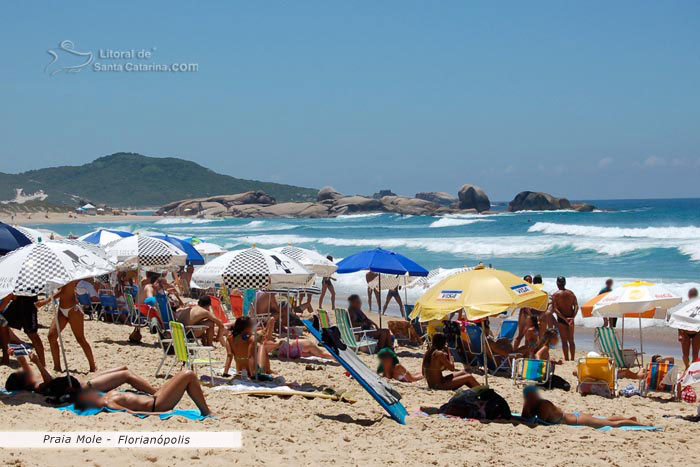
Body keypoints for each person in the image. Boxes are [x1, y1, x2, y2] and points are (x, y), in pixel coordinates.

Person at [6, 351, 156, 395]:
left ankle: (151, 389)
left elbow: (25, 366)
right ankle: (156, 393)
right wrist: (38, 363)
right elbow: (49, 381)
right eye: (22, 374)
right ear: (24, 382)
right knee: (126, 376)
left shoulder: (32, 380)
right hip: (88, 386)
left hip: (87, 378)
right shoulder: (37, 386)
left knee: (123, 368)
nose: (25, 372)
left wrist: (17, 354)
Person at [74, 369, 211, 416]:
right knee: (188, 375)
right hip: (157, 404)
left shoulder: (104, 396)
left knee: (183, 375)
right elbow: (132, 413)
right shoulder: (109, 403)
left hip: (155, 397)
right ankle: (207, 412)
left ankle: (204, 407)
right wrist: (161, 413)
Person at [521, 385, 649, 428]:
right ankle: (630, 419)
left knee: (612, 424)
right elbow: (525, 417)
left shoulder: (544, 405)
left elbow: (540, 423)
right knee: (607, 419)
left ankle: (643, 426)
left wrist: (527, 411)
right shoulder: (537, 404)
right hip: (575, 416)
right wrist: (526, 408)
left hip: (578, 420)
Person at [46, 280, 97, 372]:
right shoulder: (58, 274)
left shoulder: (68, 273)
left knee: (80, 339)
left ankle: (93, 366)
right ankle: (57, 367)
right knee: (51, 336)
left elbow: (64, 291)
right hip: (62, 309)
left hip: (73, 310)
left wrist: (46, 301)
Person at [0, 295, 46, 366]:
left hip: (28, 304)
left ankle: (43, 364)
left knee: (32, 335)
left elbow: (10, 296)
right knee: (3, 324)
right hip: (17, 302)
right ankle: (5, 358)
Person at [547, 276, 578, 361]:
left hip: (561, 320)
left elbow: (555, 309)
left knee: (564, 341)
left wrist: (564, 319)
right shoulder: (571, 293)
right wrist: (572, 317)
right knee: (571, 340)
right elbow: (576, 306)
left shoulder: (555, 295)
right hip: (570, 319)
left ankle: (567, 359)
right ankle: (572, 359)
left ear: (557, 283)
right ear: (565, 283)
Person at [679, 288, 700, 369]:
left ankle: (690, 369)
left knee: (694, 354)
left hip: (696, 332)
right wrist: (680, 334)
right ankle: (687, 368)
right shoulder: (685, 305)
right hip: (686, 332)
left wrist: (680, 334)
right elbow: (679, 320)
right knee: (686, 354)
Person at [513, 275, 534, 349]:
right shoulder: (522, 290)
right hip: (524, 313)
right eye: (527, 280)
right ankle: (514, 350)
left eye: (530, 280)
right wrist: (531, 315)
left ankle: (526, 351)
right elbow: (524, 304)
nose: (528, 282)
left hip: (530, 313)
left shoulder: (533, 290)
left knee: (529, 335)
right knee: (521, 334)